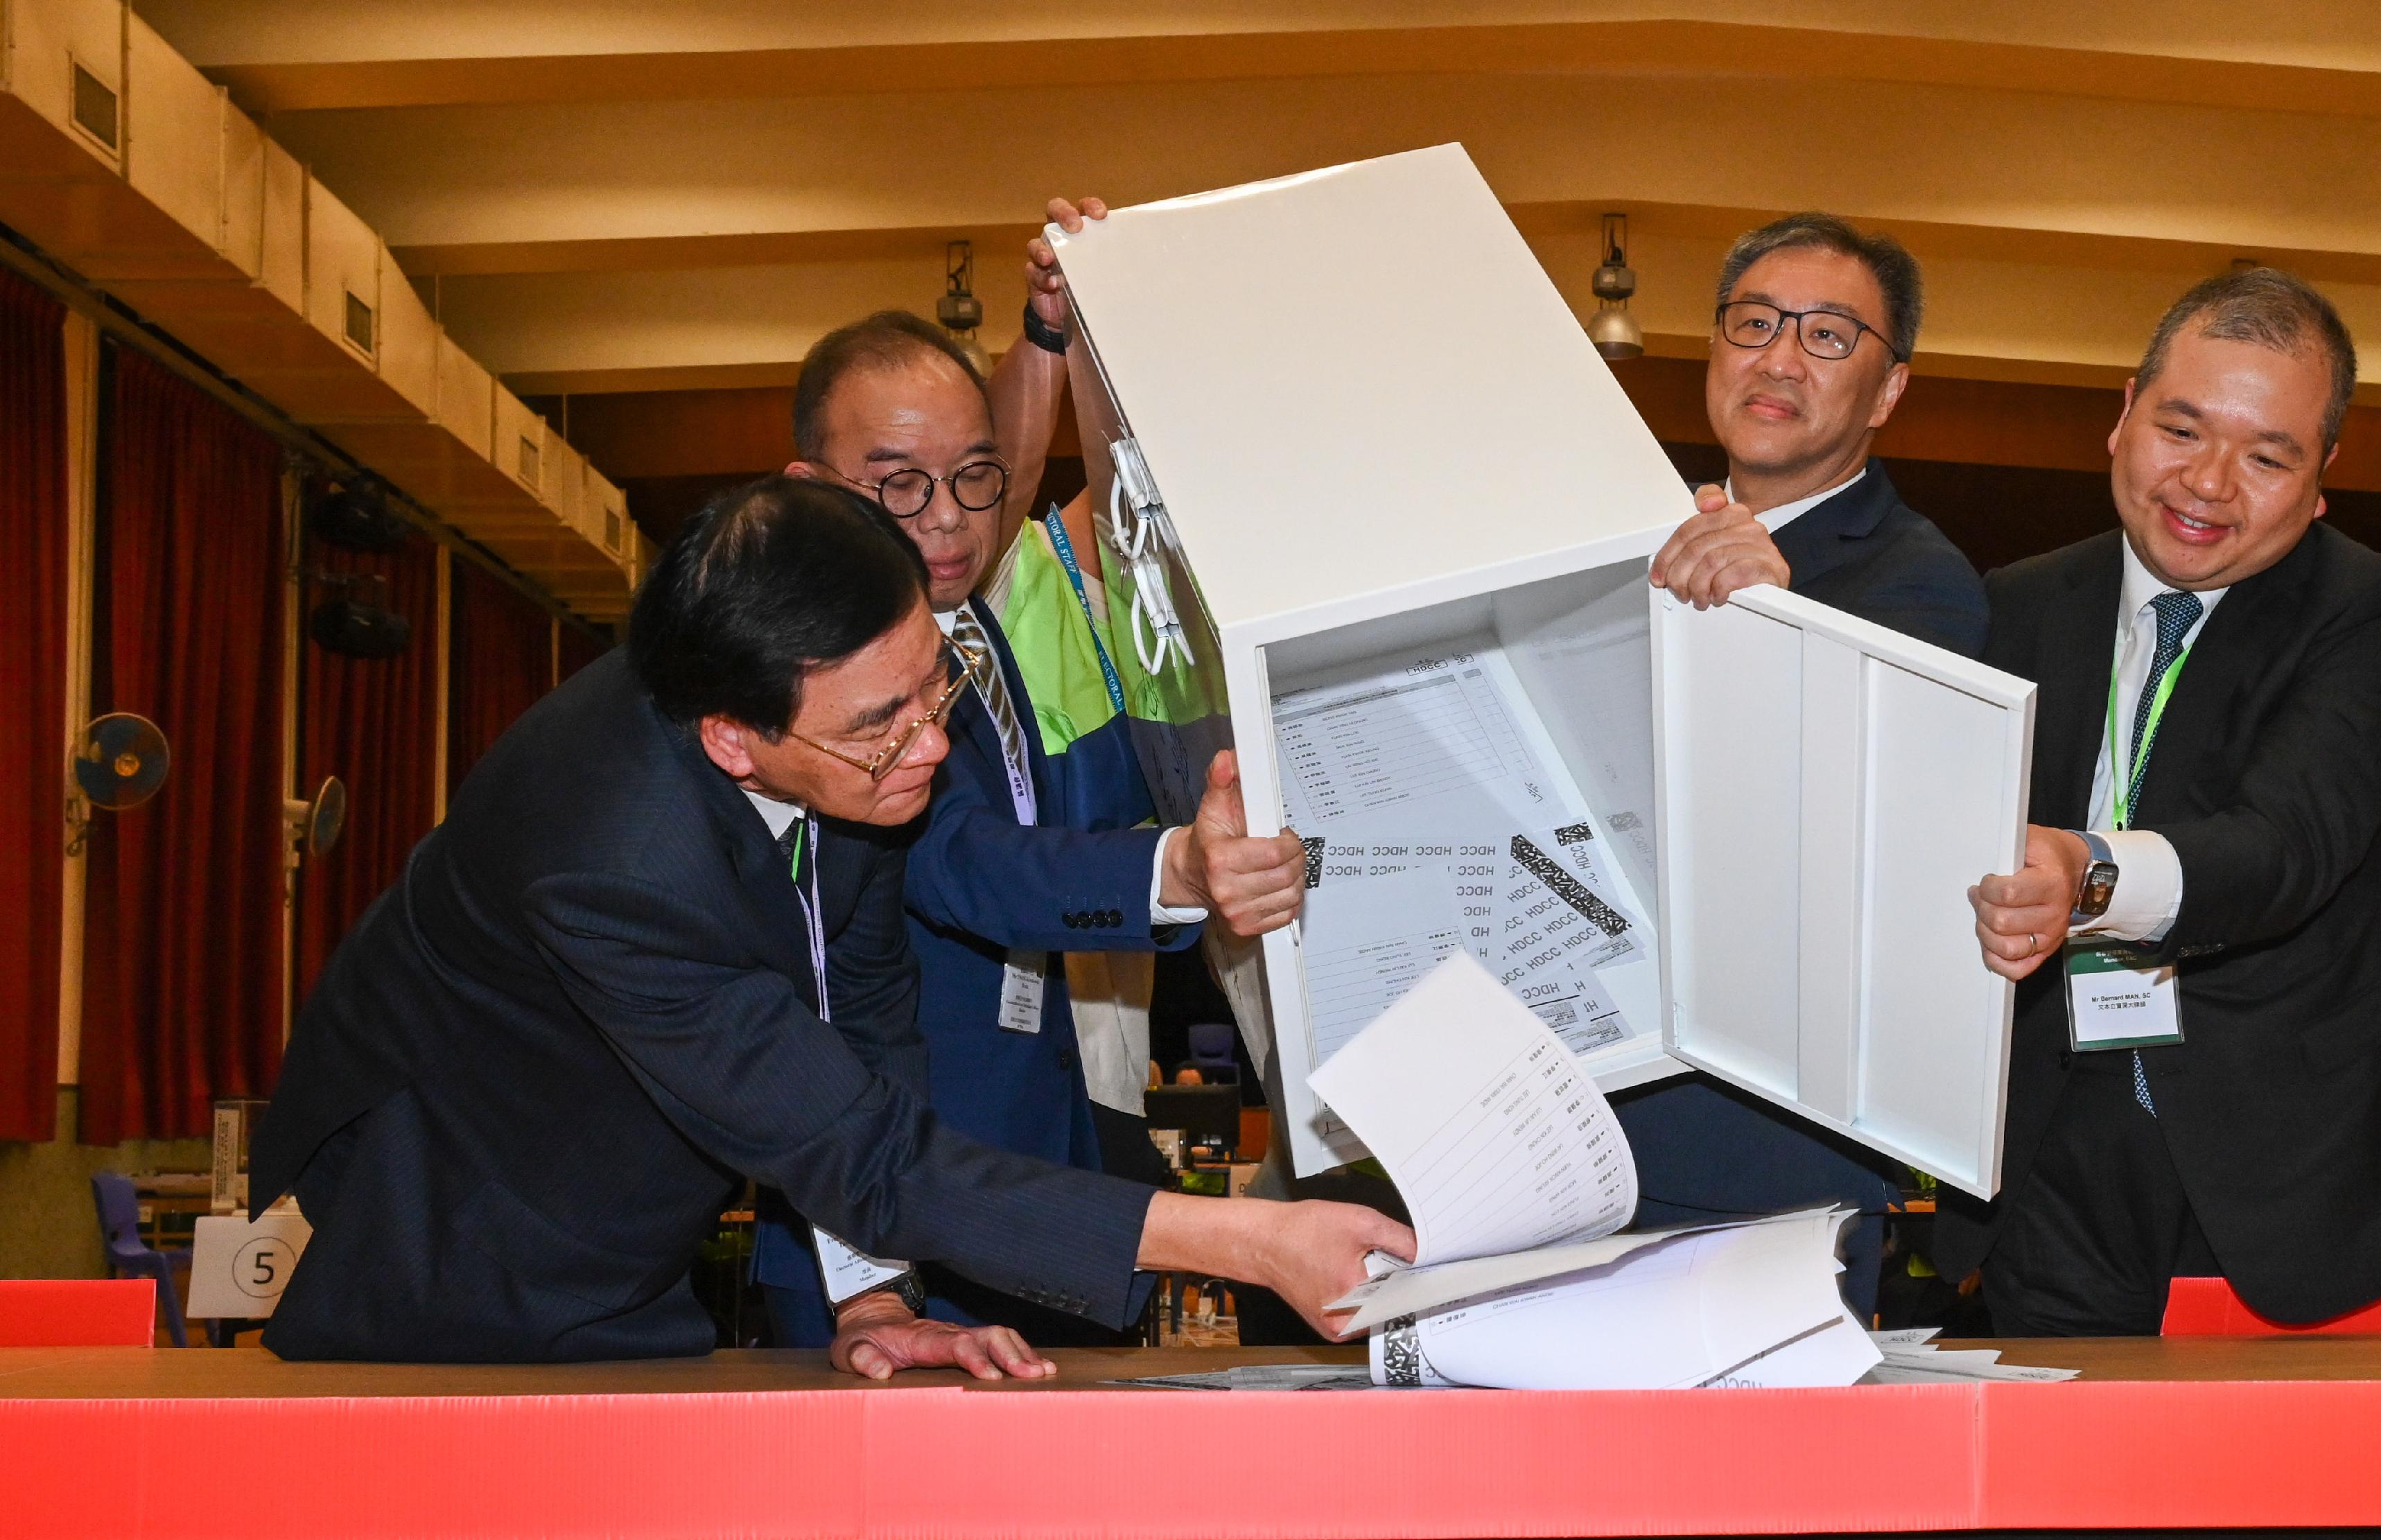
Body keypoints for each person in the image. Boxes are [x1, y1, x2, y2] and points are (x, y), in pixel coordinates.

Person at [250, 477, 1405, 1367]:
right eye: (882, 724)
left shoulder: (841, 747)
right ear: (729, 736)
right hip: (460, 1262)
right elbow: (862, 1148)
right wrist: (1250, 1242)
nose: (933, 745)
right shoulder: (616, 862)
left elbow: (859, 1006)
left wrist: (872, 1290)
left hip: (633, 1243)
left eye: (934, 685)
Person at [756, 284, 1308, 1345]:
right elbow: (960, 860)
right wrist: (1174, 873)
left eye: (975, 479)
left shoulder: (959, 616)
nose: (951, 519)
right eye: (900, 487)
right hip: (888, 1216)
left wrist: (1050, 333)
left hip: (1028, 1177)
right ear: (814, 492)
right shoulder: (815, 674)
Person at [1943, 267, 2381, 1335]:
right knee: (2058, 1490)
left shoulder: (2373, 616)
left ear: (2320, 480)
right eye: (2181, 429)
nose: (2210, 484)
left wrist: (2086, 872)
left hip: (2278, 1178)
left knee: (2259, 1497)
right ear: (2124, 416)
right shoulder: (2019, 603)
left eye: (2268, 456)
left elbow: (2286, 847)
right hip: (2053, 1153)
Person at [1616, 214, 1987, 1320]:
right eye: (1755, 323)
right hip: (1579, 1127)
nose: (1779, 356)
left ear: (1886, 392)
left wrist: (1782, 619)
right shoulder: (1616, 534)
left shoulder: (1923, 585)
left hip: (1766, 1159)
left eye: (1828, 336)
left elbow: (1875, 865)